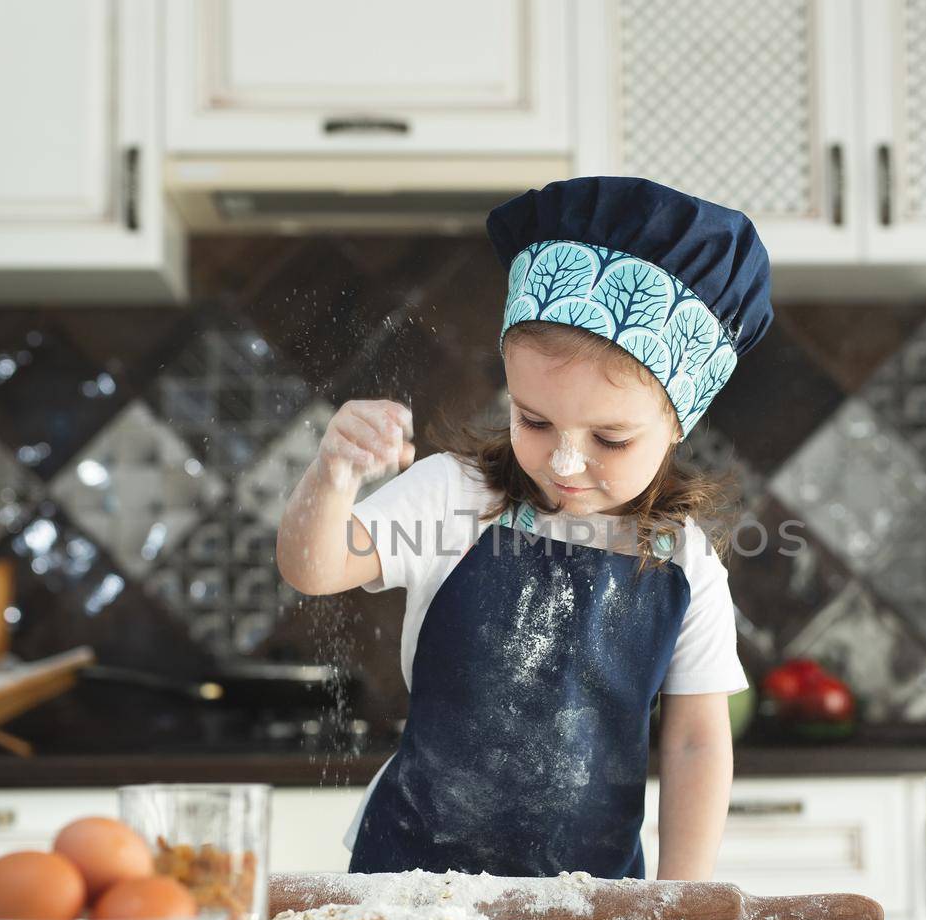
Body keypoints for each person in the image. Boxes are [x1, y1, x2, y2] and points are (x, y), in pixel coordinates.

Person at [276, 176, 772, 880]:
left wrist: (677, 899)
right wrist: (332, 473)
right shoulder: (454, 497)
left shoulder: (683, 563)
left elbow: (696, 742)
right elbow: (313, 566)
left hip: (592, 903)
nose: (567, 460)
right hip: (408, 881)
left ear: (675, 426)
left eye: (610, 437)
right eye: (535, 420)